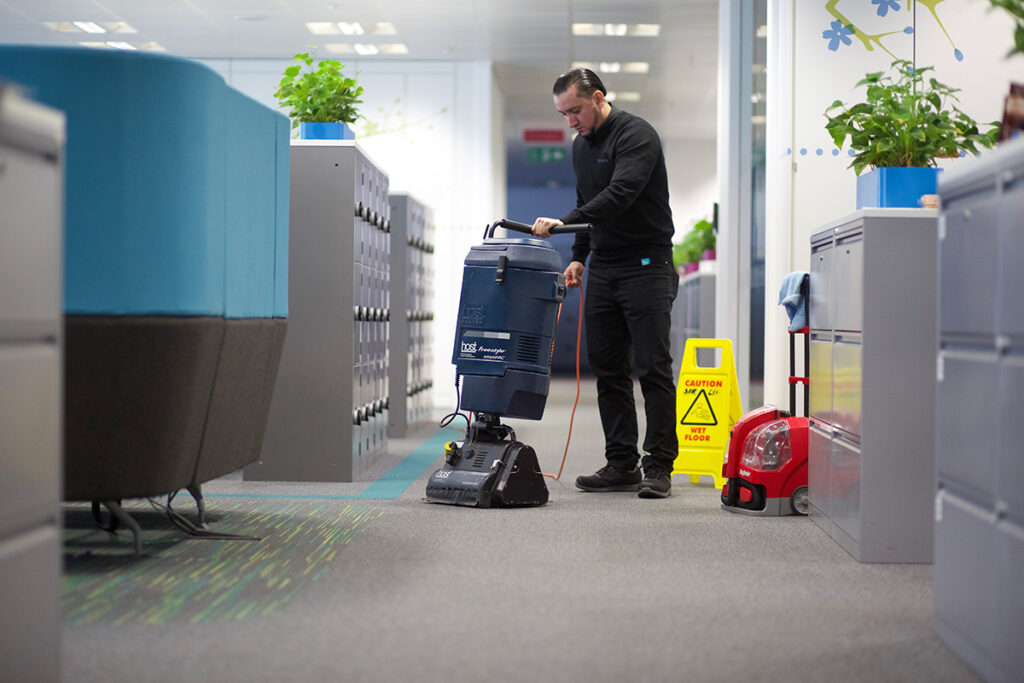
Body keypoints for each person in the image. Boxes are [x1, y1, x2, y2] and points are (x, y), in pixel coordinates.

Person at [531, 67, 679, 498]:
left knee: (652, 367)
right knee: (608, 369)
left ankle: (659, 467)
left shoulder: (637, 136)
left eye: (575, 110)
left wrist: (564, 223)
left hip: (647, 265)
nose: (570, 121)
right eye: (563, 114)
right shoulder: (581, 147)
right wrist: (579, 257)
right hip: (607, 268)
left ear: (598, 97)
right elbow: (586, 204)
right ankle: (621, 464)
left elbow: (621, 193)